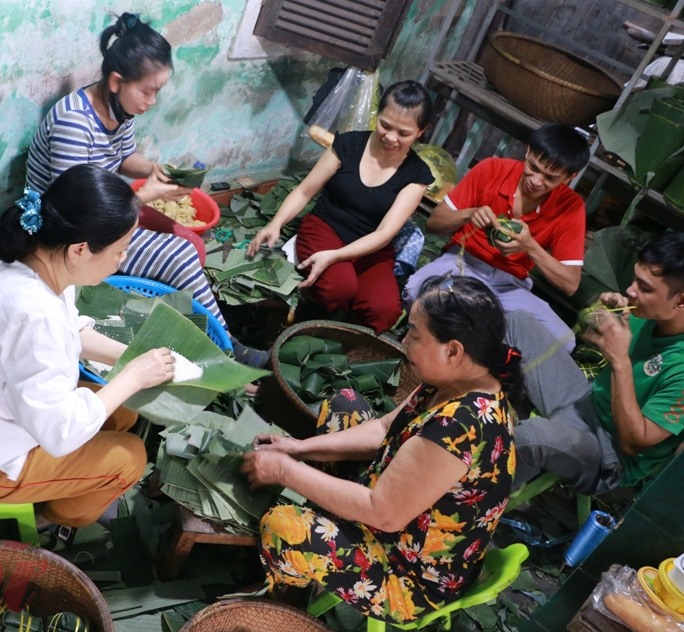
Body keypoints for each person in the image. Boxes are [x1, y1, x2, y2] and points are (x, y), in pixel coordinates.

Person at [242, 275, 519, 625]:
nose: (404, 342)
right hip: (395, 510)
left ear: (452, 351)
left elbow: (383, 513)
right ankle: (321, 520)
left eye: (415, 335)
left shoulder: (462, 426)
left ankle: (288, 598)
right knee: (345, 403)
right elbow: (385, 427)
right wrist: (298, 448)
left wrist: (286, 471)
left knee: (282, 526)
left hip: (406, 574)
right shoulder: (455, 382)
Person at [0, 165, 175, 528]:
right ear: (79, 249)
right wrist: (133, 378)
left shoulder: (29, 253)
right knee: (131, 457)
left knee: (124, 413)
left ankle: (68, 486)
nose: (122, 260)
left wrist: (130, 360)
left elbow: (68, 331)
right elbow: (61, 434)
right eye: (120, 251)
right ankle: (51, 519)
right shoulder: (34, 313)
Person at [26, 11, 268, 367]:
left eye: (157, 91)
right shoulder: (73, 124)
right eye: (147, 91)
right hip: (66, 233)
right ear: (115, 81)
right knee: (181, 255)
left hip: (106, 214)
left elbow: (125, 158)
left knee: (188, 240)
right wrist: (146, 195)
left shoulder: (118, 110)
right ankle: (228, 350)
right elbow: (81, 212)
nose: (151, 101)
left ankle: (209, 335)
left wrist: (158, 169)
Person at [248, 81, 435, 333]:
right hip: (325, 229)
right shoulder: (347, 145)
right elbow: (305, 190)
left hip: (371, 247)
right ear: (377, 115)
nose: (391, 137)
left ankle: (345, 342)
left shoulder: (417, 174)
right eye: (385, 125)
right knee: (339, 288)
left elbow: (384, 234)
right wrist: (276, 223)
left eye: (403, 133)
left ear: (420, 132)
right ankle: (303, 322)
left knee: (385, 310)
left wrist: (336, 256)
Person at [510, 233, 684, 495]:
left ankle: (475, 505)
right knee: (518, 322)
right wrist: (601, 312)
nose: (630, 290)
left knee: (533, 437)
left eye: (645, 288)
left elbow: (633, 444)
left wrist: (620, 362)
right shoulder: (646, 312)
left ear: (681, 300)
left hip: (609, 454)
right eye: (635, 278)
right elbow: (594, 326)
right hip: (586, 402)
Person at [404, 124, 590, 352]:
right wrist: (469, 214)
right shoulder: (492, 169)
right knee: (417, 292)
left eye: (551, 178)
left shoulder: (570, 206)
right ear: (528, 151)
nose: (537, 181)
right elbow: (434, 224)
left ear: (570, 177)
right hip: (461, 266)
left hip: (510, 286)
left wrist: (530, 246)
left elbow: (570, 284)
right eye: (533, 167)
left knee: (563, 343)